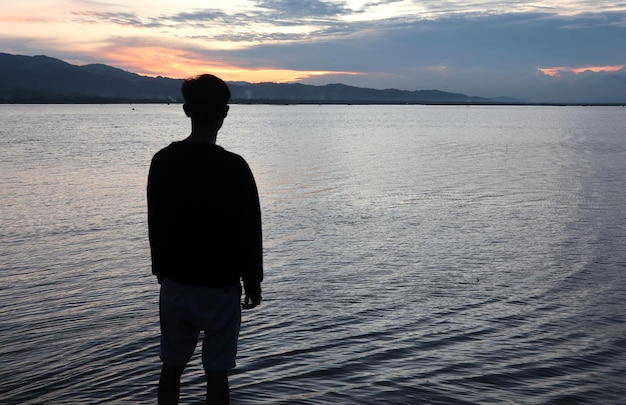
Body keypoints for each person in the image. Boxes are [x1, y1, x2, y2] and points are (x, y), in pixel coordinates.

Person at [147, 74, 263, 405]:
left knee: (171, 366)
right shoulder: (236, 167)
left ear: (186, 110)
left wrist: (162, 271)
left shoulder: (164, 161)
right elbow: (249, 230)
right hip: (222, 286)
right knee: (217, 372)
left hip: (177, 283)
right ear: (224, 113)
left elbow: (156, 221)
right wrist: (252, 283)